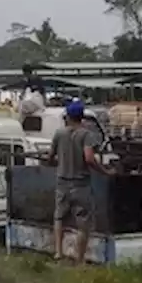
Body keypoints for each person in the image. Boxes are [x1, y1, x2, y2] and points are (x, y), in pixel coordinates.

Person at [45, 100, 108, 266]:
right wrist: (104, 171)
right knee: (83, 223)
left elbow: (50, 156)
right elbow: (89, 158)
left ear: (67, 117)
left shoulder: (59, 133)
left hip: (62, 183)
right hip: (80, 185)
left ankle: (58, 252)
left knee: (59, 217)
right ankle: (80, 260)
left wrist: (53, 162)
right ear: (82, 117)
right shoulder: (86, 135)